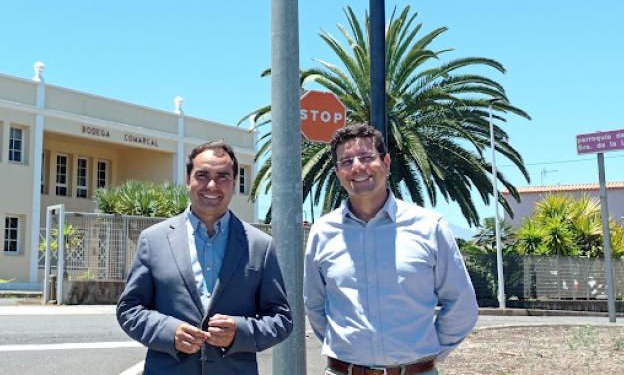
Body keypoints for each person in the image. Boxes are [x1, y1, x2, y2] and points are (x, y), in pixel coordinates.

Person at [304, 124, 478, 375]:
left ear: (386, 162)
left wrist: (424, 356)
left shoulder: (430, 227)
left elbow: (462, 304)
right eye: (346, 161)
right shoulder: (322, 232)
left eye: (366, 157)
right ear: (338, 172)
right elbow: (315, 305)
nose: (357, 167)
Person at [117, 140, 293, 374]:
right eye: (202, 175)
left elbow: (281, 319)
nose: (212, 185)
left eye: (222, 176)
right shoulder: (154, 239)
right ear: (188, 179)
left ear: (233, 183)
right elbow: (129, 308)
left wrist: (239, 332)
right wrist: (170, 332)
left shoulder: (260, 245)